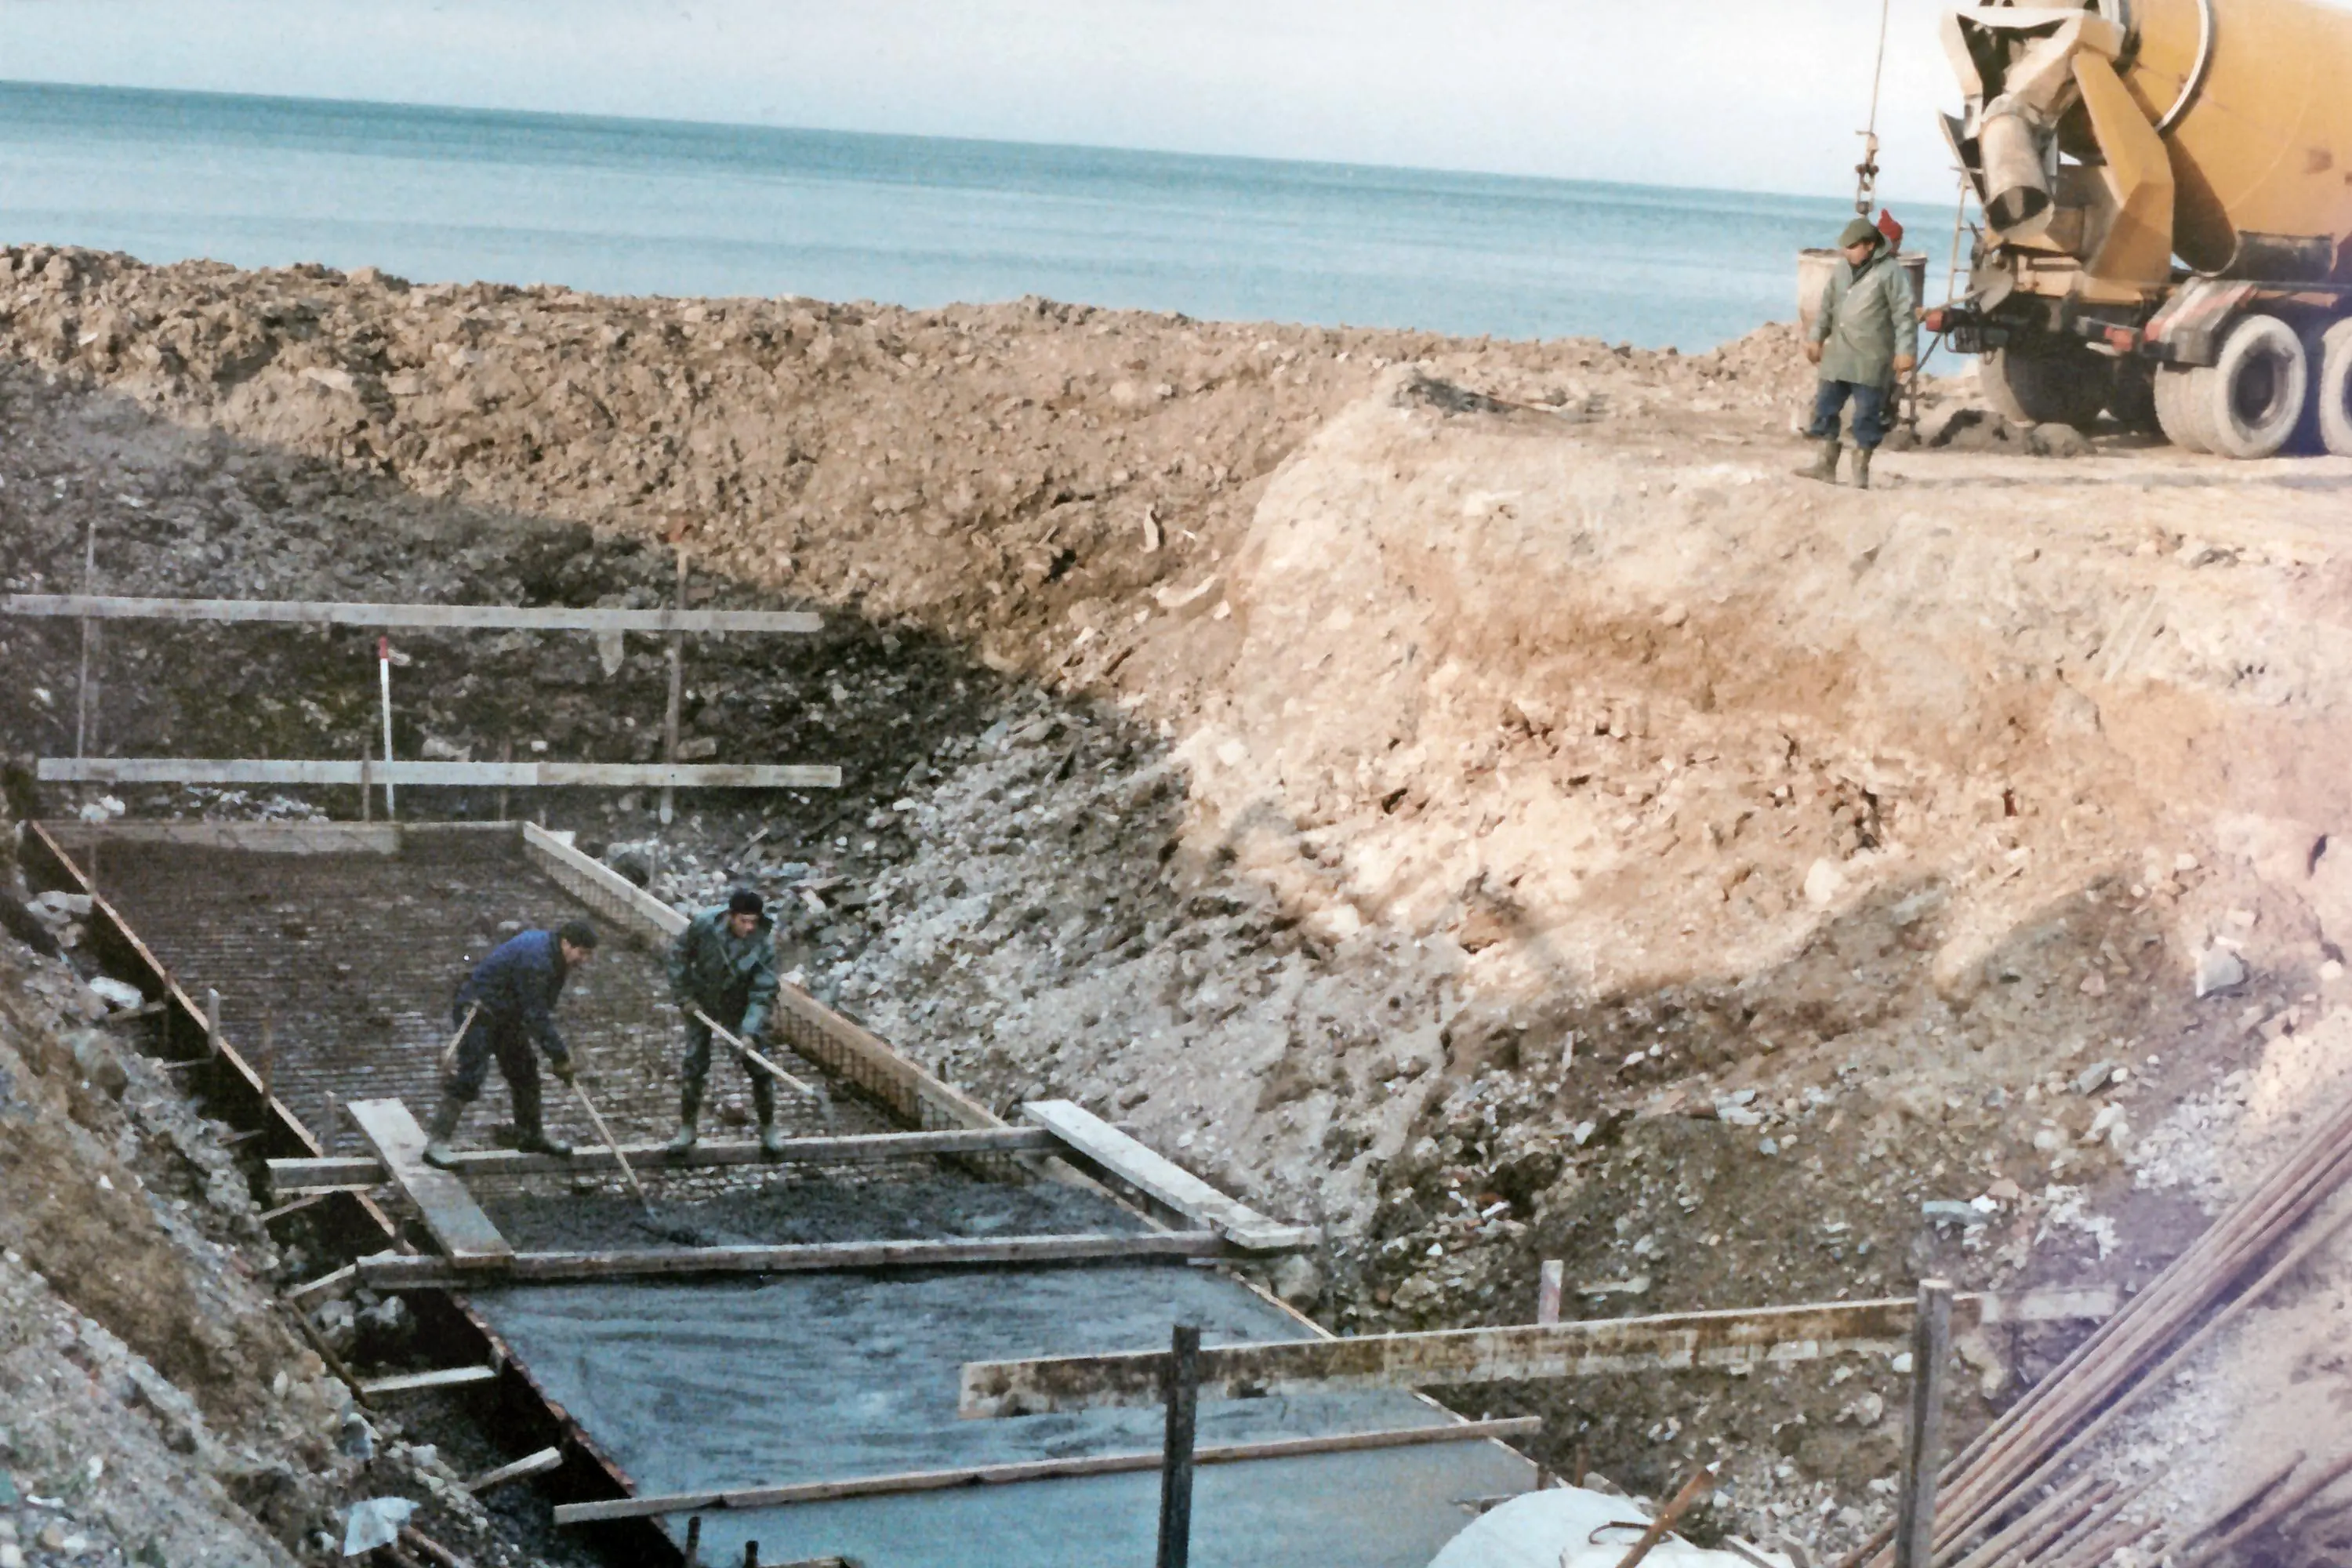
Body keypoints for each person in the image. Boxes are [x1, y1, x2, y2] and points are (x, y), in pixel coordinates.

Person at [422, 920, 597, 1168]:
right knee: (471, 1075)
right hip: (479, 1012)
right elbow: (536, 1015)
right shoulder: (538, 960)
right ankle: (436, 1143)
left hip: (508, 1015)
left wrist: (556, 1054)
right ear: (567, 943)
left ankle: (531, 1135)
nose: (584, 960)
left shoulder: (555, 955)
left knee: (525, 1070)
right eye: (582, 953)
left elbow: (541, 1007)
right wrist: (560, 1057)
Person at [1798, 216, 1918, 491]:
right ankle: (1825, 464)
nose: (1846, 252)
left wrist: (1905, 351)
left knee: (1867, 415)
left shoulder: (1890, 272)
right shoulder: (1841, 270)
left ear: (1868, 245)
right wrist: (1816, 338)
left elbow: (1904, 315)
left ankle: (1860, 471)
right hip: (1839, 354)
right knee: (1826, 407)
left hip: (1871, 357)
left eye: (1852, 247)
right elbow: (1827, 306)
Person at [664, 887, 783, 1156]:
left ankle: (768, 1127)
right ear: (730, 916)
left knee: (759, 1064)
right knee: (694, 1062)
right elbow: (678, 956)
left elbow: (763, 992)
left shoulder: (763, 944)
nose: (749, 927)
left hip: (739, 1003)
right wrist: (685, 997)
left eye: (754, 921)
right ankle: (687, 1128)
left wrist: (750, 1031)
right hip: (703, 997)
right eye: (744, 921)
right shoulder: (705, 925)